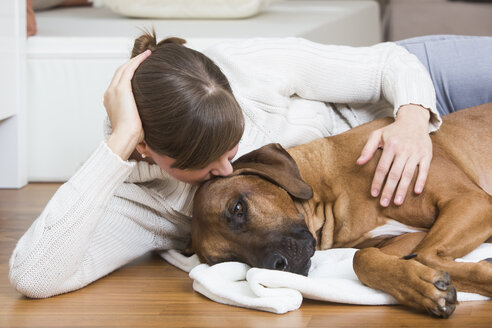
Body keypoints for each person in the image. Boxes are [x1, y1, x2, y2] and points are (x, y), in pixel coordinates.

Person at [9, 32, 492, 298]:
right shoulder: (140, 193)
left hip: (420, 86)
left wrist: (411, 118)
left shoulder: (242, 69)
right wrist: (115, 147)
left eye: (233, 144)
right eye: (201, 164)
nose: (226, 168)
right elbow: (33, 275)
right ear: (147, 152)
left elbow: (388, 65)